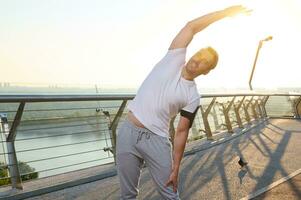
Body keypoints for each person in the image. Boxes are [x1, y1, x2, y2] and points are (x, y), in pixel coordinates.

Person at [116, 5, 250, 199]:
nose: (198, 60)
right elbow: (191, 27)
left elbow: (181, 131)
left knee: (170, 193)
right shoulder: (174, 56)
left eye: (204, 61)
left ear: (206, 71)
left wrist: (176, 166)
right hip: (128, 132)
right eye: (199, 55)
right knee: (127, 196)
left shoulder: (192, 96)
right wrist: (225, 13)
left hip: (156, 140)